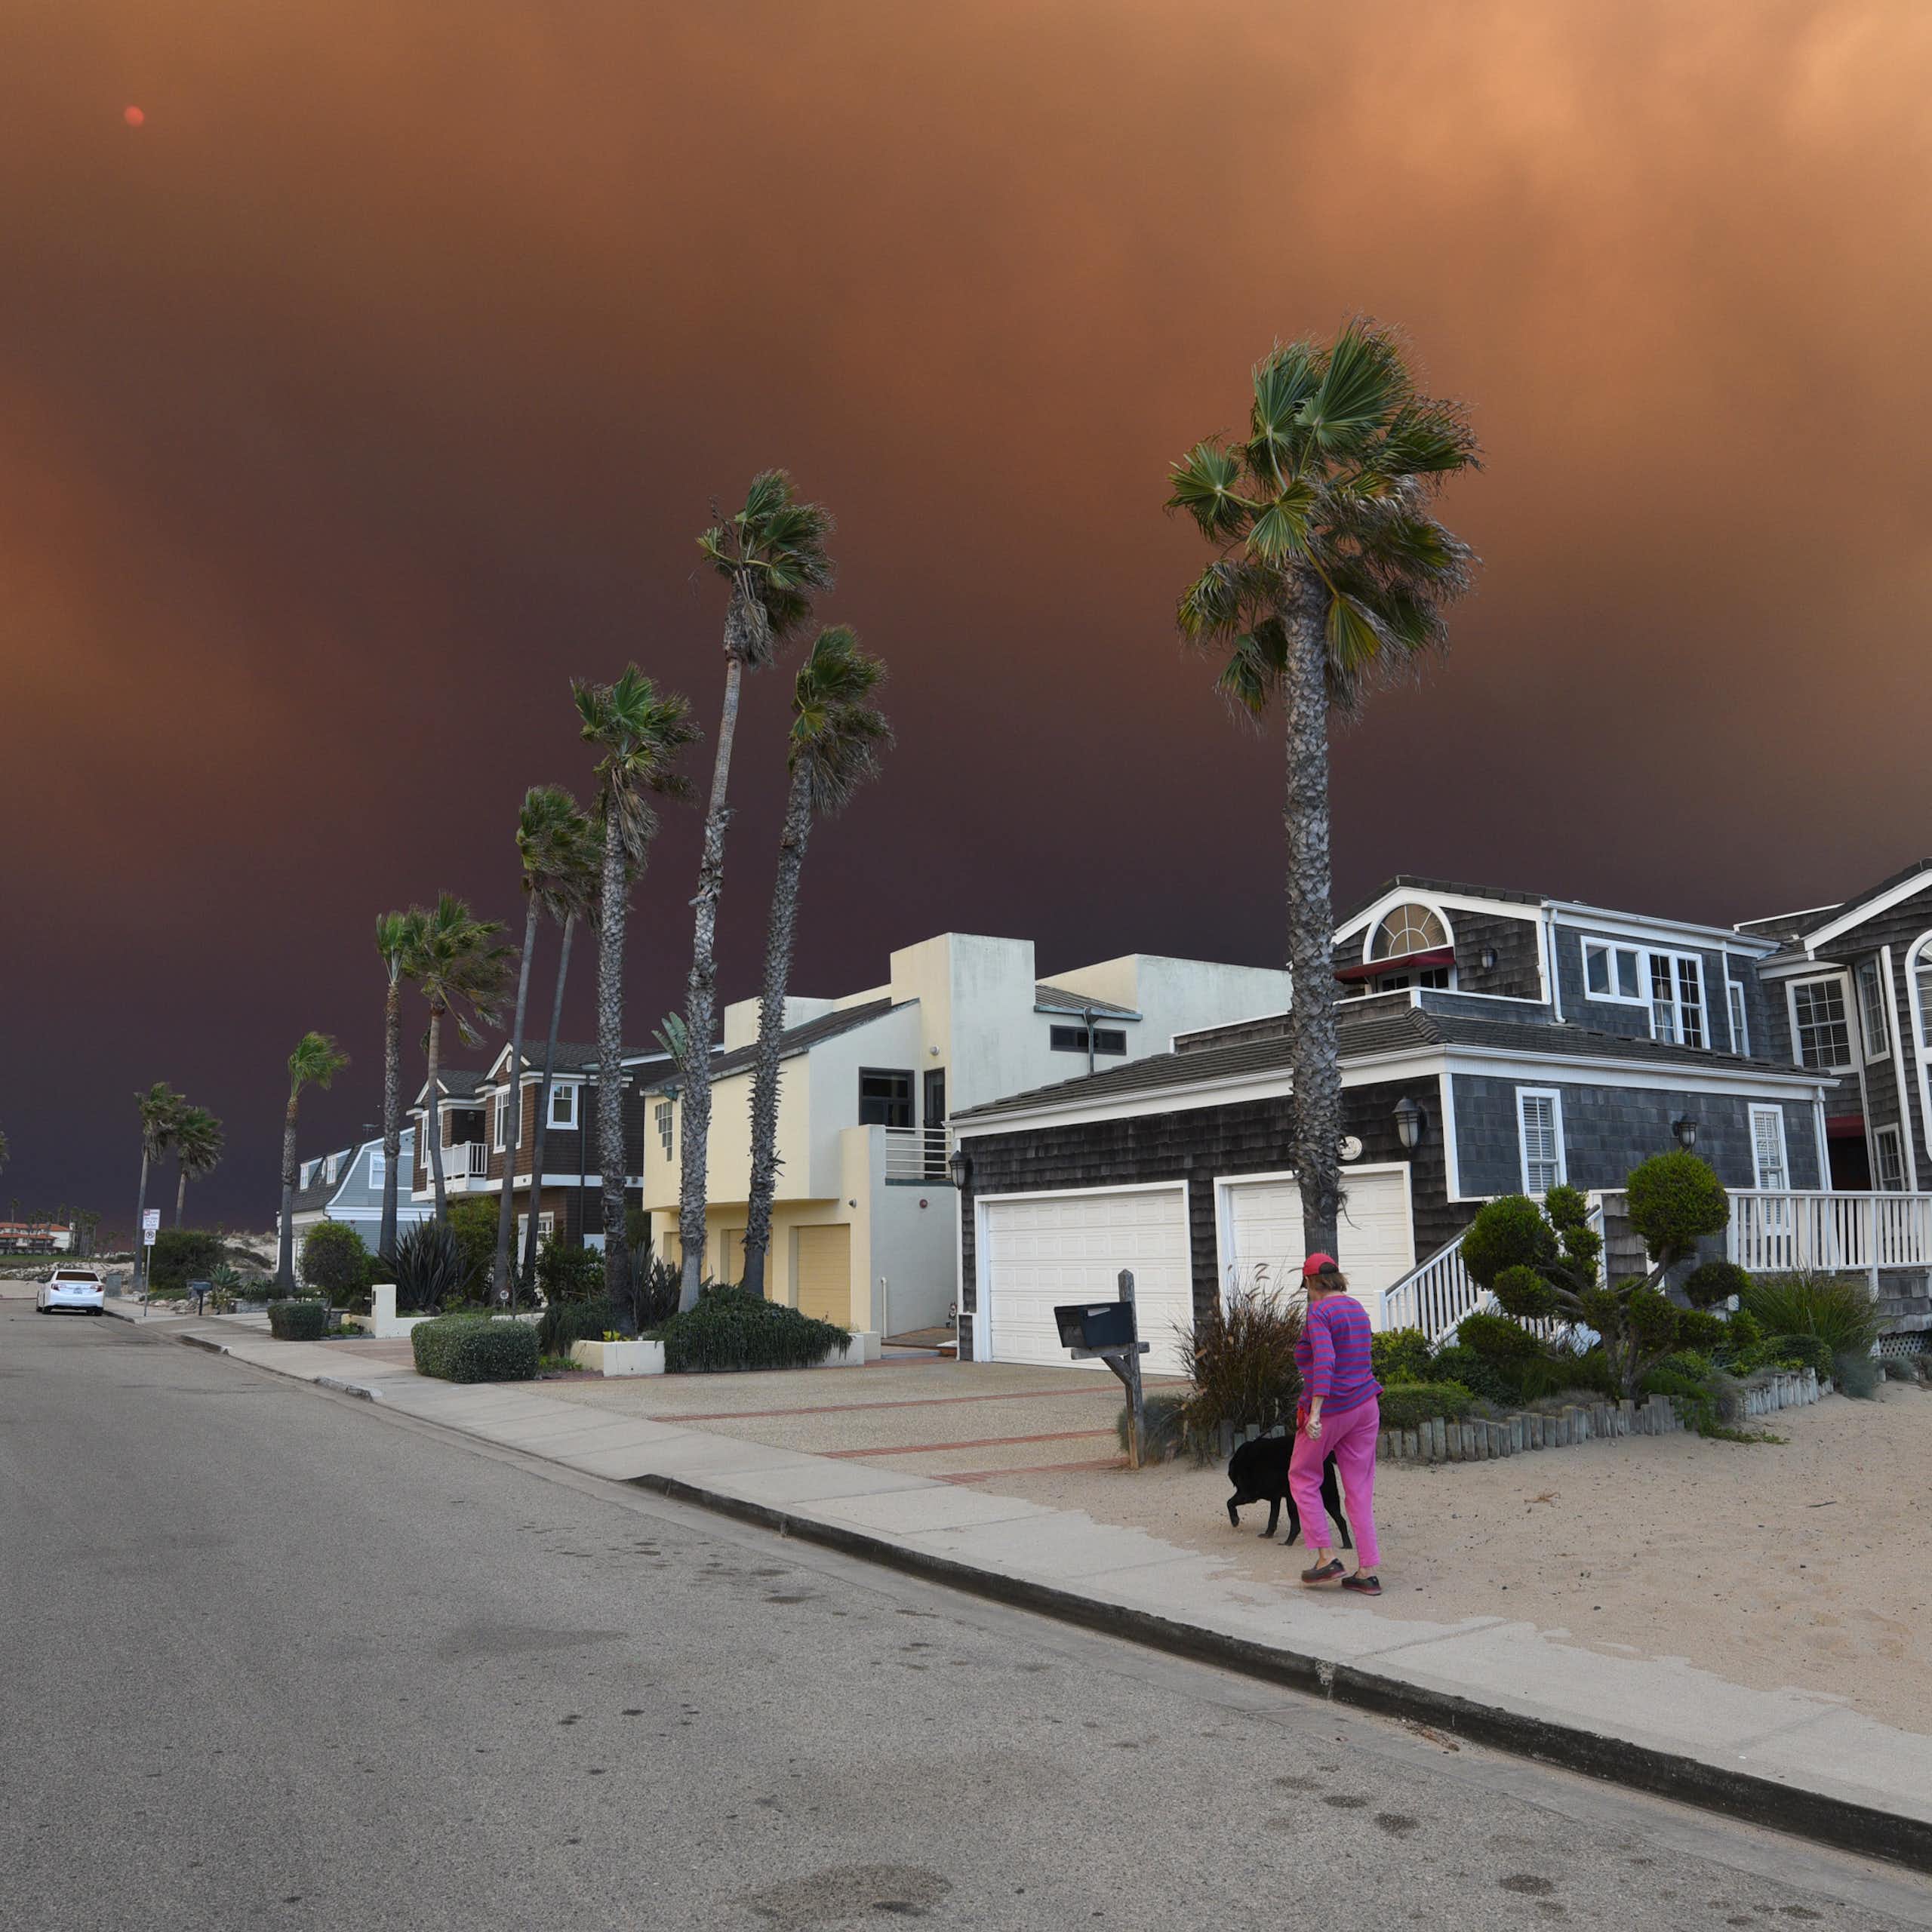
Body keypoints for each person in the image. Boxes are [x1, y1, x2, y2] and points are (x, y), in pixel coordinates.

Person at [1289, 1253, 1382, 1597]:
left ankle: (1326, 1557)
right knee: (1359, 1488)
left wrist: (1315, 1412)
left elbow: (1326, 1360)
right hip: (1366, 1406)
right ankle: (1367, 1571)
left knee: (1302, 1476)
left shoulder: (1320, 1313)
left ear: (1312, 1283)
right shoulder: (1357, 1307)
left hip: (1331, 1409)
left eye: (1307, 1287)